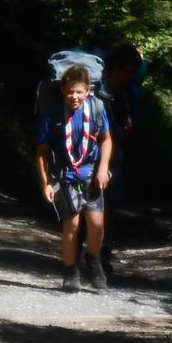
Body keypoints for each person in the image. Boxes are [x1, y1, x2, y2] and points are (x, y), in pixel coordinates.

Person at [36, 64, 114, 292]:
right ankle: (70, 272)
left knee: (97, 225)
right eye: (70, 91)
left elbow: (106, 140)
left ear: (89, 91)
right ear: (63, 91)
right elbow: (41, 151)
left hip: (92, 174)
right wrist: (46, 183)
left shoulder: (97, 109)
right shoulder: (55, 113)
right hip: (66, 175)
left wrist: (103, 169)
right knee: (72, 225)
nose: (74, 96)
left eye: (79, 91)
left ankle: (94, 260)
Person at [98, 44, 142, 274]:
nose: (130, 77)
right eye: (127, 71)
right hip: (87, 152)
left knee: (111, 202)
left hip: (113, 150)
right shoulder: (95, 87)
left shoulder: (127, 93)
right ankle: (78, 250)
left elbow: (129, 124)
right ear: (115, 67)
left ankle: (101, 250)